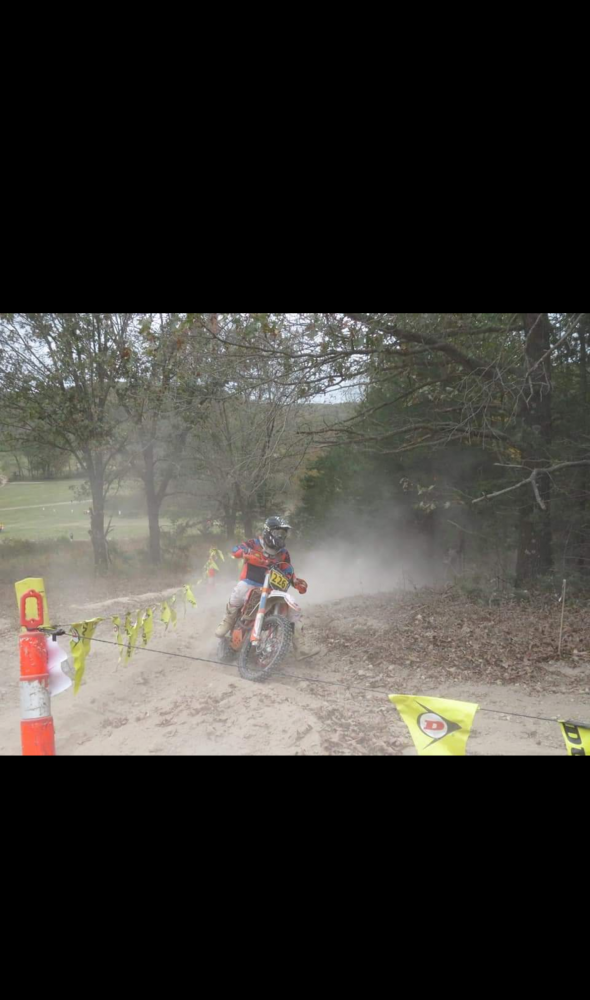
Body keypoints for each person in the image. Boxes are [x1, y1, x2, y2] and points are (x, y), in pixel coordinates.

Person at [214, 516, 316, 660]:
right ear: (268, 531)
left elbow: (287, 569)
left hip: (272, 588)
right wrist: (246, 553)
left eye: (283, 533)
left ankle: (300, 646)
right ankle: (228, 620)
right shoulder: (254, 543)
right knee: (240, 588)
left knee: (293, 609)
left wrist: (295, 581)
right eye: (277, 532)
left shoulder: (283, 553)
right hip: (251, 582)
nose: (280, 536)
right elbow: (235, 550)